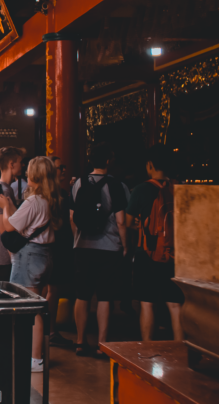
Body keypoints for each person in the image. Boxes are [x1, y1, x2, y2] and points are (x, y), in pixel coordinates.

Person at [0, 156, 63, 372]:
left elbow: (9, 226)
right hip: (46, 255)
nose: (25, 173)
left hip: (29, 257)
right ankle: (38, 354)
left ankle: (35, 358)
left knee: (30, 309)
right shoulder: (51, 199)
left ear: (34, 175)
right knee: (38, 307)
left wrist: (5, 206)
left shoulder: (34, 201)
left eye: (29, 171)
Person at [71, 144, 130, 358]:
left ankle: (79, 341)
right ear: (108, 161)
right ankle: (102, 343)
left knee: (82, 295)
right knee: (105, 297)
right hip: (108, 248)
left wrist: (77, 238)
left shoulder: (78, 183)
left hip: (82, 248)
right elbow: (122, 221)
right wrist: (124, 245)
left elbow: (72, 217)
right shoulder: (117, 185)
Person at [127, 144, 184, 341]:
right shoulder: (178, 188)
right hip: (175, 255)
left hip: (147, 252)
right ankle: (179, 349)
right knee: (175, 306)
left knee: (147, 303)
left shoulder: (141, 189)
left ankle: (147, 349)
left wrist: (141, 227)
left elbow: (127, 222)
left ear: (150, 165)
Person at [46, 157, 76, 348]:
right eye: (59, 168)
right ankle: (50, 330)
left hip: (59, 246)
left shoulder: (62, 193)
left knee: (53, 289)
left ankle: (50, 329)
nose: (63, 170)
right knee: (52, 289)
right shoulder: (51, 195)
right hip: (53, 247)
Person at [0, 147, 27, 282]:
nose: (23, 165)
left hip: (2, 252)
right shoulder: (3, 190)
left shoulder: (5, 187)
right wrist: (13, 256)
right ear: (11, 164)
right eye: (20, 162)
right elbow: (3, 228)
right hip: (4, 255)